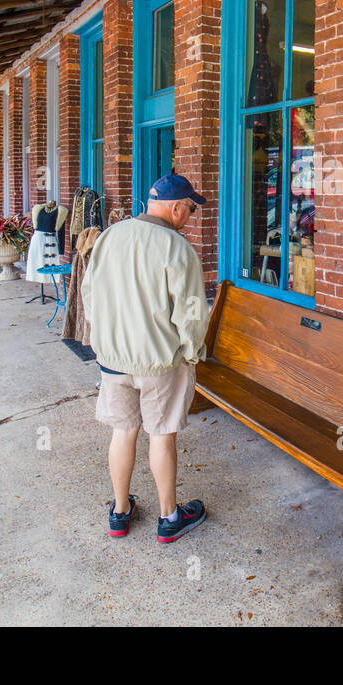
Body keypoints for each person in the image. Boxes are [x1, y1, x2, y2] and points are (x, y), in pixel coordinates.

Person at [82, 173, 209, 542]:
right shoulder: (177, 247)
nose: (190, 216)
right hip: (160, 361)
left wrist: (104, 340)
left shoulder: (110, 237)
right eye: (189, 208)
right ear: (175, 207)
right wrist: (192, 351)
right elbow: (191, 313)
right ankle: (169, 518)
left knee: (123, 431)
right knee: (161, 434)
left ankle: (120, 512)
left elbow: (90, 296)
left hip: (113, 359)